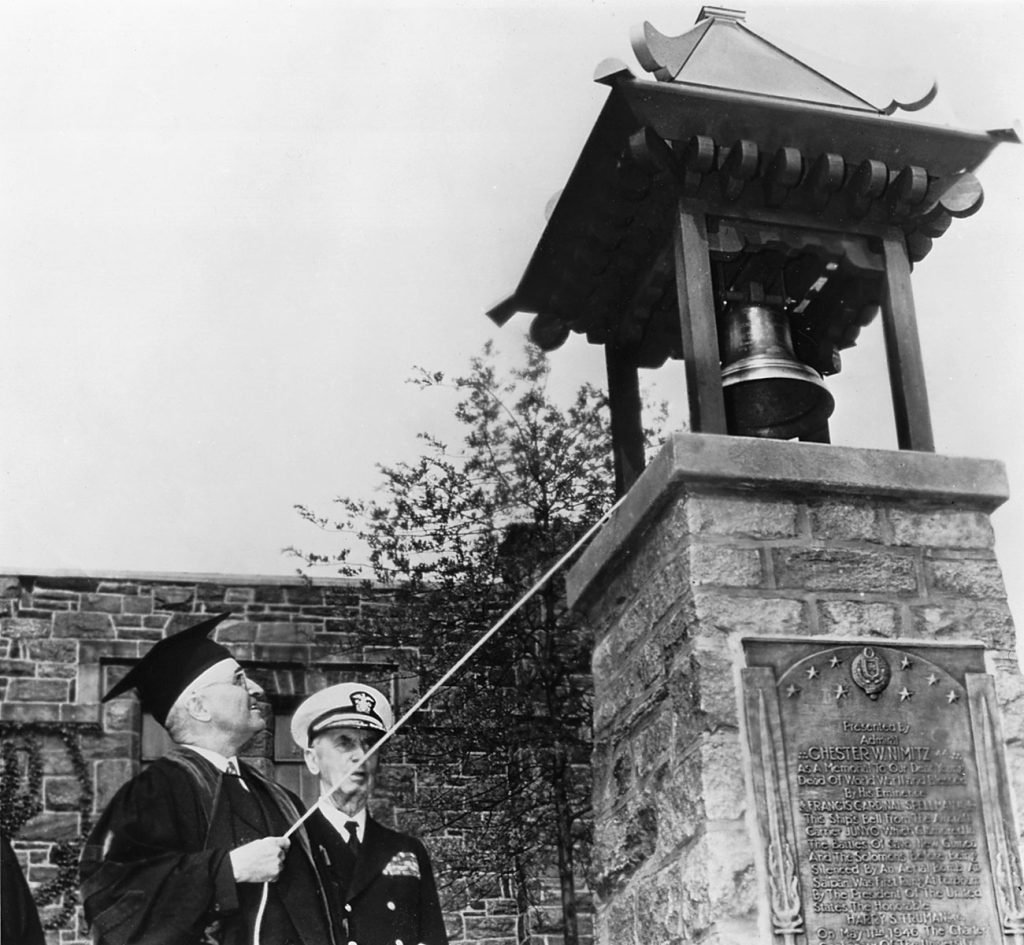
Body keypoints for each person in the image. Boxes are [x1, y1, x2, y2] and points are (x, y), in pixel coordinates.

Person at [79, 613, 338, 945]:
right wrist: (227, 869)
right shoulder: (157, 790)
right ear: (199, 707)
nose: (257, 689)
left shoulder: (281, 797)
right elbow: (112, 895)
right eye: (239, 680)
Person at [292, 682, 448, 945]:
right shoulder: (294, 843)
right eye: (345, 743)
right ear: (312, 760)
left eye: (370, 745)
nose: (361, 756)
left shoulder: (407, 849)